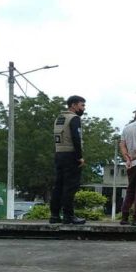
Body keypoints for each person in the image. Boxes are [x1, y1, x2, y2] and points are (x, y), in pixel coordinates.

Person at [50, 95, 87, 225]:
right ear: (73, 105)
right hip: (71, 155)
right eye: (82, 105)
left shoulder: (59, 118)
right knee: (70, 187)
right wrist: (80, 157)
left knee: (58, 186)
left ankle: (54, 215)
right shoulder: (74, 118)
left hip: (59, 154)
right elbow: (76, 138)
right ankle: (68, 216)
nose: (83, 108)